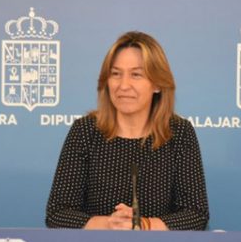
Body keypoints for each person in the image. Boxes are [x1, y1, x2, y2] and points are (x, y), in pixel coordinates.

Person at [45, 31, 209, 230]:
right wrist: (110, 224)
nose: (123, 85)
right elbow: (58, 214)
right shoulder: (85, 131)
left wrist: (143, 225)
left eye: (136, 75)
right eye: (116, 74)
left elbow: (196, 215)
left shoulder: (179, 133)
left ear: (157, 84)